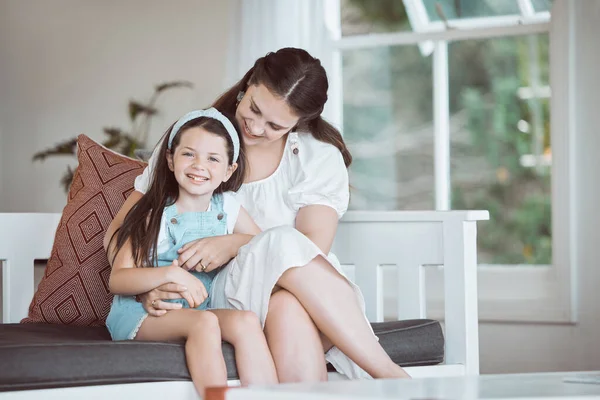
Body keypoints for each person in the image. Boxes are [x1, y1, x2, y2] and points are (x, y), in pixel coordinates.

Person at [105, 47, 409, 381]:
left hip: (313, 300)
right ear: (248, 83)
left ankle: (387, 375)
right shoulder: (198, 139)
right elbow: (120, 231)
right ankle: (391, 378)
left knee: (287, 300)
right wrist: (149, 285)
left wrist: (233, 244)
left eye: (275, 125)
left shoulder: (315, 157)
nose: (255, 127)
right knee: (284, 297)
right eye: (253, 108)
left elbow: (308, 253)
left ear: (300, 123)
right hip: (219, 295)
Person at [105, 108, 278, 395]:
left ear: (228, 170)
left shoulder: (229, 207)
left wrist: (235, 243)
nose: (199, 165)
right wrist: (171, 274)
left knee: (246, 321)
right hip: (142, 313)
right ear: (171, 160)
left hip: (199, 308)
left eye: (212, 158)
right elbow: (118, 279)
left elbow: (263, 248)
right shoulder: (152, 213)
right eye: (189, 154)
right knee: (205, 323)